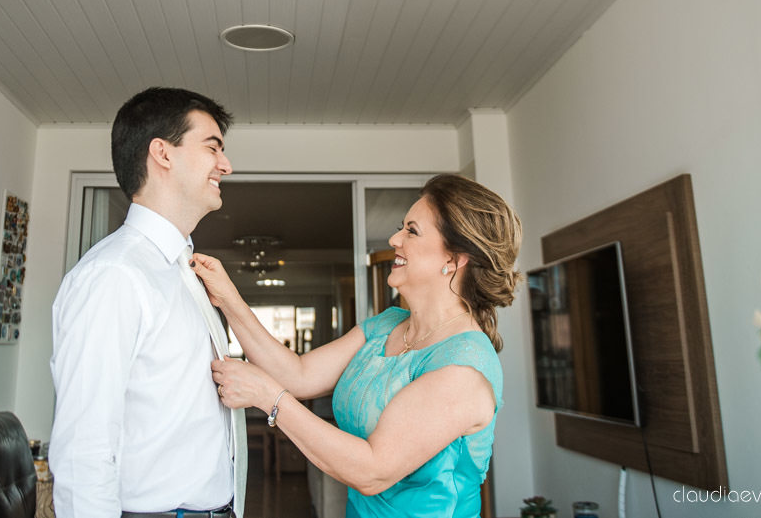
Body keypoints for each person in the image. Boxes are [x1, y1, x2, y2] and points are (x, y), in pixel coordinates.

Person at [194, 173, 521, 518]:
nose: (395, 238)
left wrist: (268, 397)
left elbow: (373, 469)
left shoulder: (464, 369)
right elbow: (298, 374)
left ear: (454, 259)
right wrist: (228, 297)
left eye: (412, 230)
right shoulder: (387, 325)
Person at [49, 87, 246, 518]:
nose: (226, 166)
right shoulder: (113, 276)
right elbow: (84, 449)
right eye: (213, 147)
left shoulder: (188, 272)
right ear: (163, 153)